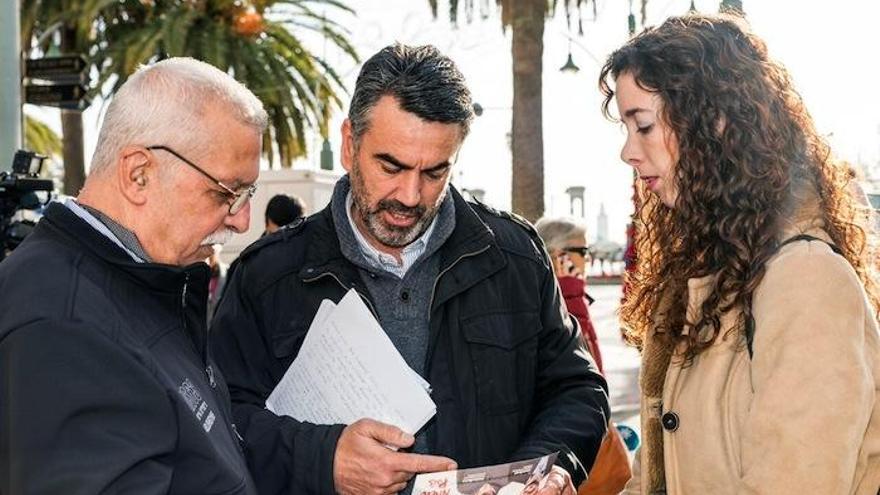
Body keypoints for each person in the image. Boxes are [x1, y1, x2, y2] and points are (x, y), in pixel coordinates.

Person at [211, 43, 609, 495]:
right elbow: (220, 420)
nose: (410, 196)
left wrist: (548, 469)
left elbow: (577, 390)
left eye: (435, 172)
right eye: (391, 166)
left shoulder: (515, 257)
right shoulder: (267, 277)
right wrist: (324, 458)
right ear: (348, 143)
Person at [599, 13, 880, 494]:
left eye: (642, 126)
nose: (628, 151)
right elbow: (659, 472)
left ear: (716, 124)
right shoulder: (702, 274)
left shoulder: (805, 279)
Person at [0, 57, 267, 494]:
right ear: (138, 173)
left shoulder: (146, 279)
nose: (241, 220)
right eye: (227, 193)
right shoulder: (62, 328)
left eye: (247, 194)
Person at [535, 217, 604, 373]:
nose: (588, 258)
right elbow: (577, 349)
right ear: (560, 256)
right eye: (583, 251)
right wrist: (570, 289)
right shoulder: (559, 298)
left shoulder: (572, 293)